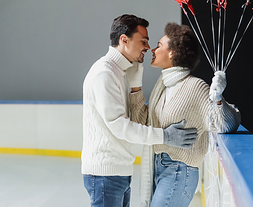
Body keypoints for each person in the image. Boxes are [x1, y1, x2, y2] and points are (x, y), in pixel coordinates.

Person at [82, 14, 199, 207]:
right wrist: (165, 136)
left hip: (118, 172)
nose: (147, 47)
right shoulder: (105, 73)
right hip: (105, 174)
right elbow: (120, 126)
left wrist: (135, 85)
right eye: (143, 41)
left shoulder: (118, 72)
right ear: (124, 40)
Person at [130, 22, 241, 207]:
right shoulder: (162, 87)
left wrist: (218, 98)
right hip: (158, 166)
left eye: (159, 46)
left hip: (180, 170)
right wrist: (135, 87)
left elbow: (226, 125)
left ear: (172, 53)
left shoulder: (195, 87)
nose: (153, 50)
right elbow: (141, 121)